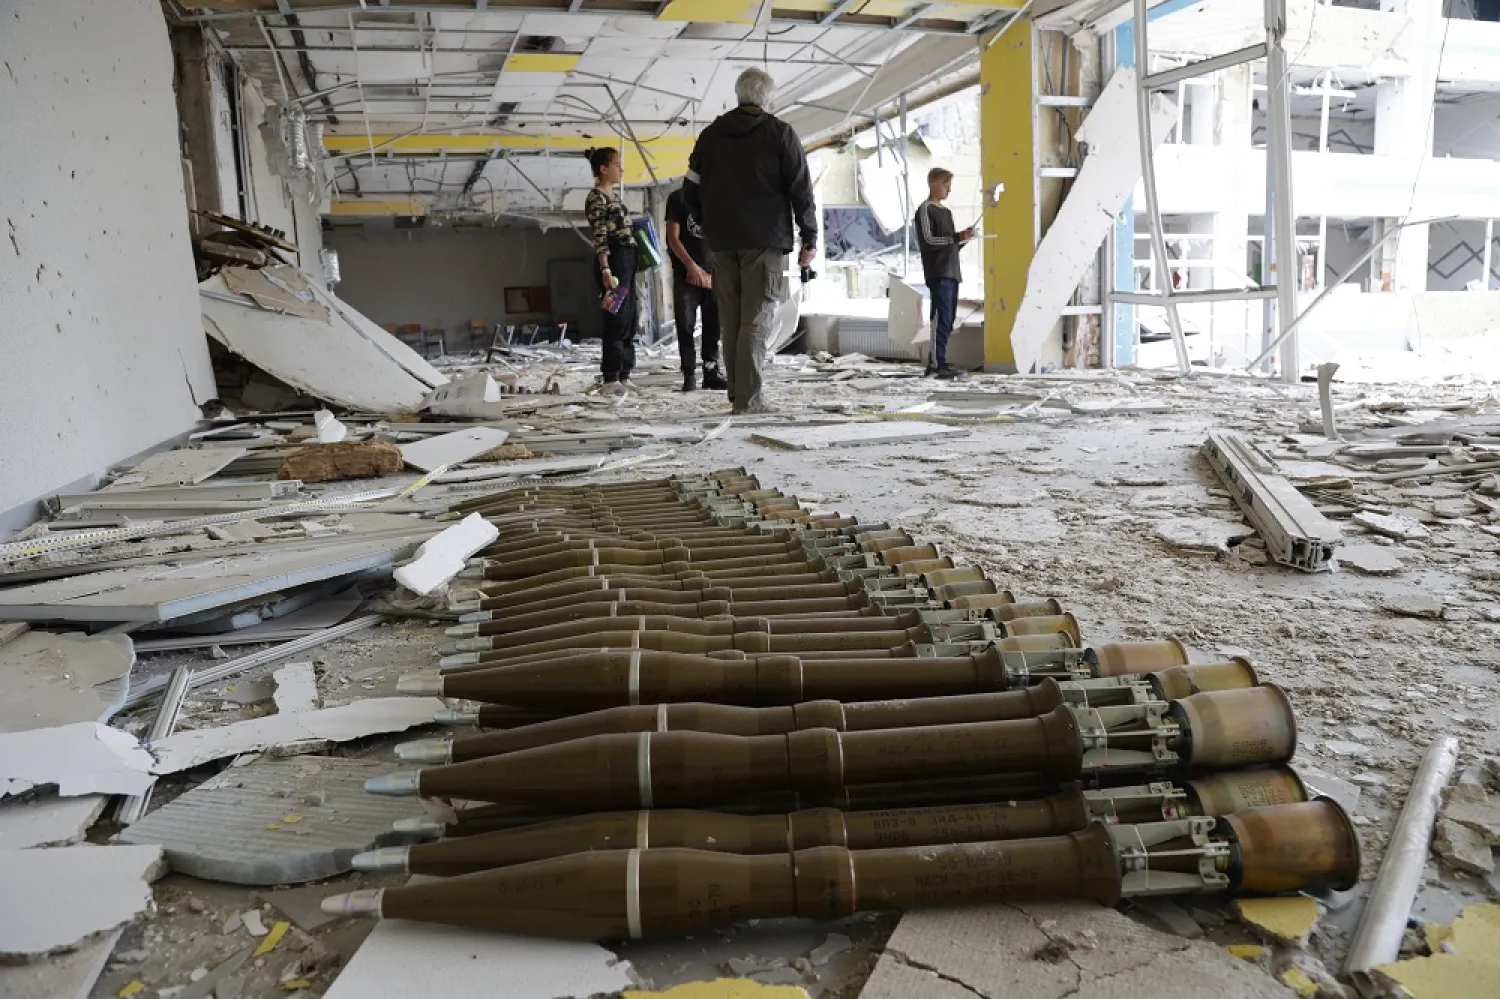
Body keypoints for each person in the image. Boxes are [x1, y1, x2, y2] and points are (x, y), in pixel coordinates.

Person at [684, 67, 817, 415]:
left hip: (722, 242)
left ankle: (737, 394)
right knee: (756, 320)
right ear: (767, 98)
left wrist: (705, 223)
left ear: (738, 94)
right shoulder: (780, 134)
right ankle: (748, 400)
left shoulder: (710, 136)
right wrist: (810, 236)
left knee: (731, 321)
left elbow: (690, 188)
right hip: (764, 239)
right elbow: (801, 189)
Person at [584, 147, 638, 396]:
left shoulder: (615, 197)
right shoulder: (597, 197)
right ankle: (611, 376)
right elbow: (600, 236)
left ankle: (625, 373)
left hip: (627, 259)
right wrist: (605, 268)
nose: (621, 170)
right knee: (616, 318)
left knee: (630, 318)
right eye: (617, 165)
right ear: (603, 169)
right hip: (613, 261)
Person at [914, 167, 975, 379]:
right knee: (940, 318)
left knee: (948, 319)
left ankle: (941, 360)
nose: (949, 190)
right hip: (938, 272)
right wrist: (956, 237)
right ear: (933, 184)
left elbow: (951, 245)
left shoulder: (947, 212)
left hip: (952, 271)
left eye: (950, 186)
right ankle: (935, 363)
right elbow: (928, 241)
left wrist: (964, 238)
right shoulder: (925, 210)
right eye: (945, 185)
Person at [664, 186, 726, 393]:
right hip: (686, 273)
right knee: (685, 325)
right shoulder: (678, 198)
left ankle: (711, 372)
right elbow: (673, 238)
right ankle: (689, 373)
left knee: (713, 324)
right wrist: (691, 266)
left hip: (714, 272)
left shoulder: (719, 196)